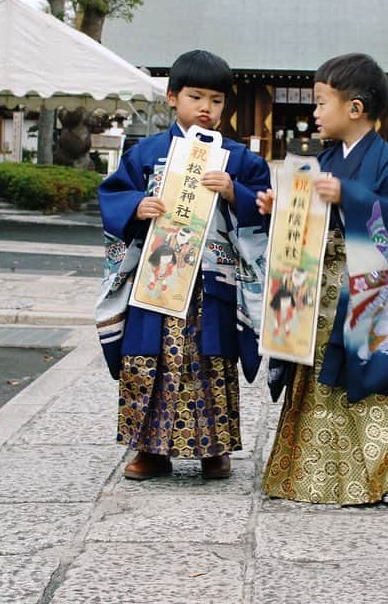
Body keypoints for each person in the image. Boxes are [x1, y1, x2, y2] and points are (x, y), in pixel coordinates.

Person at [257, 53, 388, 505]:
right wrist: (277, 209)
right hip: (320, 284)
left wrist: (350, 194)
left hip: (369, 289)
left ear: (354, 108)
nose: (314, 113)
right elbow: (308, 219)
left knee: (376, 368)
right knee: (319, 368)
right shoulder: (322, 159)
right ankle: (313, 472)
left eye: (322, 103)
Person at [97, 50, 270, 481]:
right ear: (172, 97)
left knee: (211, 360)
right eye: (196, 97)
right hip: (156, 277)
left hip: (213, 281)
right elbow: (113, 196)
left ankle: (215, 448)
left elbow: (265, 206)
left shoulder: (240, 159)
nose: (206, 108)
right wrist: (136, 206)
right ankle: (150, 450)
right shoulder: (146, 153)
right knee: (149, 359)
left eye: (216, 99)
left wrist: (235, 192)